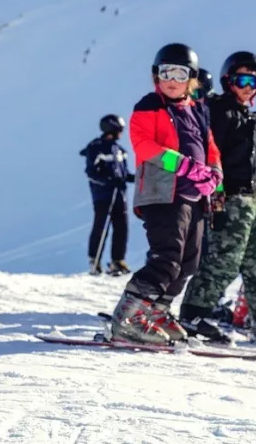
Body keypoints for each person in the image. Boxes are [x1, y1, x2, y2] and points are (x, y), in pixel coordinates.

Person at [107, 43, 221, 345]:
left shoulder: (198, 111)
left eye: (180, 73)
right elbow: (144, 146)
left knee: (189, 262)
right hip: (162, 195)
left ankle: (155, 311)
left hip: (194, 198)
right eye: (165, 72)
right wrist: (184, 165)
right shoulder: (149, 106)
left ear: (192, 78)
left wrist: (214, 175)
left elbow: (210, 148)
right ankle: (127, 318)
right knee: (167, 258)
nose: (172, 79)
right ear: (156, 76)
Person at [181, 50, 256, 345]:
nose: (248, 86)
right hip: (232, 196)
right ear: (228, 80)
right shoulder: (220, 111)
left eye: (254, 80)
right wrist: (217, 198)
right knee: (224, 259)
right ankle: (194, 312)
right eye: (241, 79)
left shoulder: (246, 113)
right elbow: (212, 157)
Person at [79, 114, 134, 275]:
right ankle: (94, 260)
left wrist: (132, 178)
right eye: (119, 129)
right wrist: (109, 180)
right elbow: (91, 172)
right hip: (103, 195)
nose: (121, 132)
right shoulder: (96, 148)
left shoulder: (120, 151)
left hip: (120, 194)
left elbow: (124, 172)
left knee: (121, 226)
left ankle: (118, 260)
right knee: (101, 226)